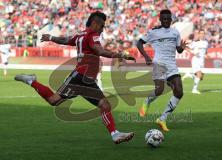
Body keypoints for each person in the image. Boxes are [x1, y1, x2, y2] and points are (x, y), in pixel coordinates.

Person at [14, 11, 135, 144]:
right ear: (95, 24)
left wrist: (51, 38)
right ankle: (115, 134)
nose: (102, 29)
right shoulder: (92, 35)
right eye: (102, 26)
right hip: (83, 77)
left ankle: (32, 81)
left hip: (81, 77)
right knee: (104, 104)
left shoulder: (80, 35)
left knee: (54, 100)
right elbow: (100, 51)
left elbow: (65, 40)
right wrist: (120, 55)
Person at [136, 9, 188, 132]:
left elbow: (178, 50)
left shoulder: (175, 32)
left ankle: (162, 118)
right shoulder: (154, 32)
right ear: (160, 19)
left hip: (171, 65)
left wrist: (181, 48)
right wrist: (146, 56)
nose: (166, 21)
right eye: (163, 18)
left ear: (171, 19)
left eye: (168, 19)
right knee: (159, 90)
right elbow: (139, 43)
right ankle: (147, 101)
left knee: (179, 92)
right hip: (158, 63)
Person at [182, 30, 208, 94]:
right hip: (196, 60)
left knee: (201, 77)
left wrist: (191, 49)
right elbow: (190, 48)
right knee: (199, 74)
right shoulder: (195, 43)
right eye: (201, 33)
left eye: (203, 33)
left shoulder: (205, 43)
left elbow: (196, 51)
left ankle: (190, 75)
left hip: (201, 61)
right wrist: (184, 46)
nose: (202, 35)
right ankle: (194, 90)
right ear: (199, 34)